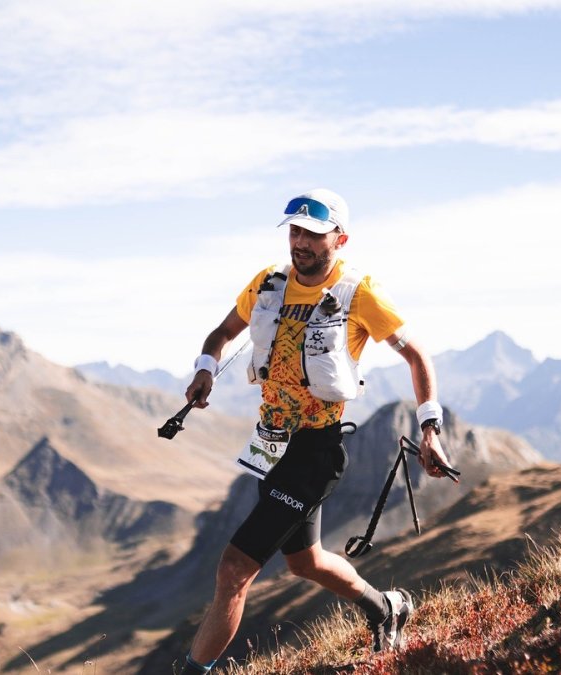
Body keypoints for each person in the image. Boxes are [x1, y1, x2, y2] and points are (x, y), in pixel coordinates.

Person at [178, 188, 454, 674]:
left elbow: (416, 354)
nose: (300, 242)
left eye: (313, 234)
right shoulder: (268, 283)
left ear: (340, 239)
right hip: (272, 444)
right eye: (295, 232)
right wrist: (205, 369)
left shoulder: (359, 293)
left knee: (234, 569)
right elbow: (221, 333)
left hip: (316, 451)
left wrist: (429, 428)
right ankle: (386, 608)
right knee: (304, 562)